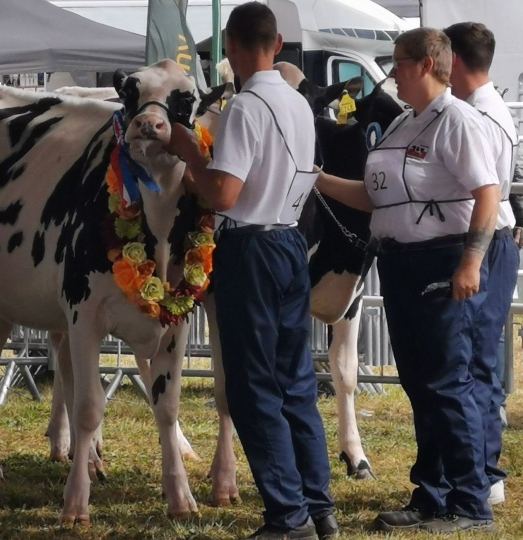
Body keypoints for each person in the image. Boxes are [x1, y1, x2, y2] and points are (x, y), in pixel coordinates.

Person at [316, 27, 499, 534]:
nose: (392, 71)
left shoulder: (456, 120)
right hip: (398, 262)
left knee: (447, 381)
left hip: (440, 261)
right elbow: (378, 198)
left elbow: (487, 192)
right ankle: (432, 493)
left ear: (425, 63)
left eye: (397, 61)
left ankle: (470, 502)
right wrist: (318, 180)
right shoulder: (403, 123)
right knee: (420, 383)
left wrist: (470, 262)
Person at [164, 3, 337, 539]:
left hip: (252, 249)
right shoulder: (299, 103)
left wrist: (189, 153)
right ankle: (318, 504)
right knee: (295, 382)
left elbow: (224, 193)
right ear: (278, 43)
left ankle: (288, 515)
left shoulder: (245, 106)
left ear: (233, 50)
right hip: (289, 240)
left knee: (254, 387)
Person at [444, 21, 519, 509]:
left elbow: (485, 196)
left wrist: (471, 256)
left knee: (474, 360)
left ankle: (484, 470)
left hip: (486, 239)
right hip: (493, 238)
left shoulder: (478, 116)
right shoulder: (488, 107)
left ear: (453, 61)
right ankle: (479, 468)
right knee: (476, 357)